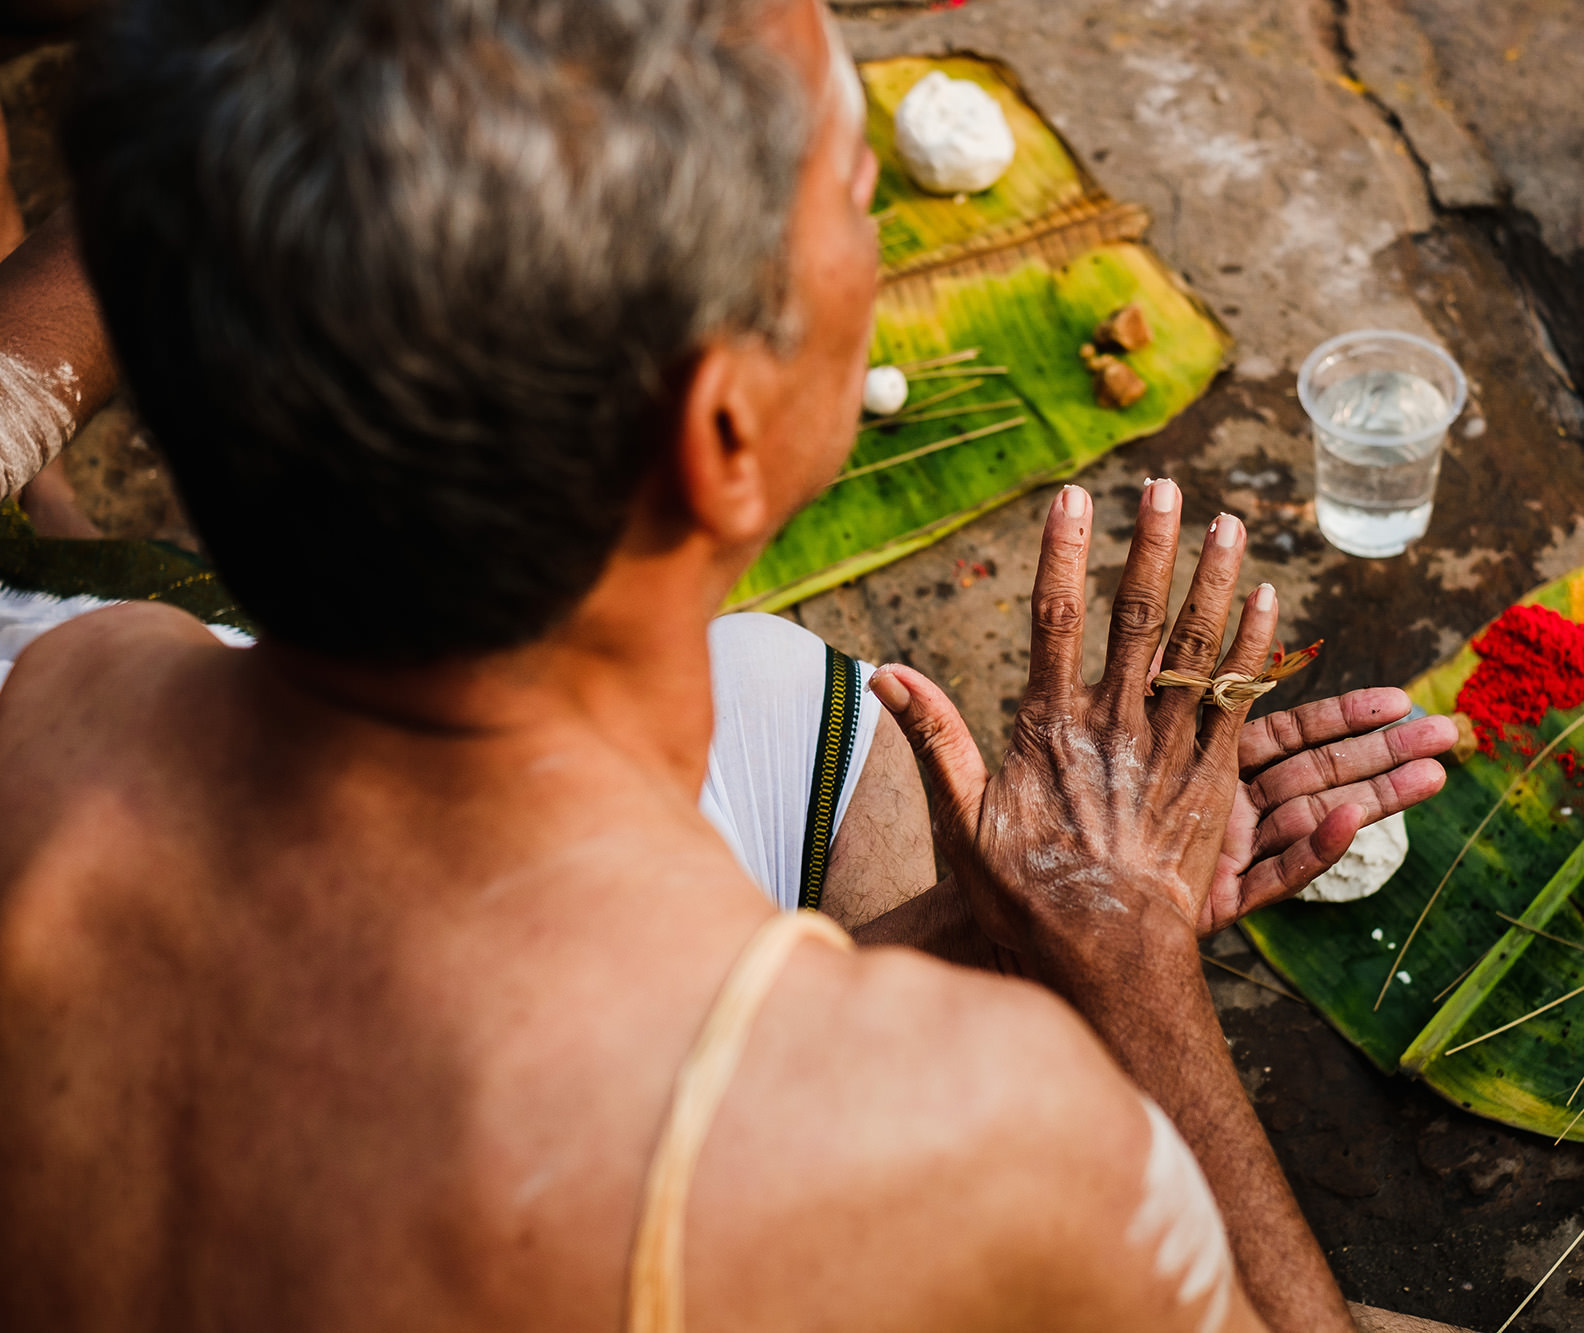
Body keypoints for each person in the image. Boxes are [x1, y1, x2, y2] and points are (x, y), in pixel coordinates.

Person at [0, 3, 1458, 1332]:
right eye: (856, 197)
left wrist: (998, 921)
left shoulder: (76, 694)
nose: (878, 234)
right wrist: (1134, 984)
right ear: (723, 433)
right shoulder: (992, 1137)